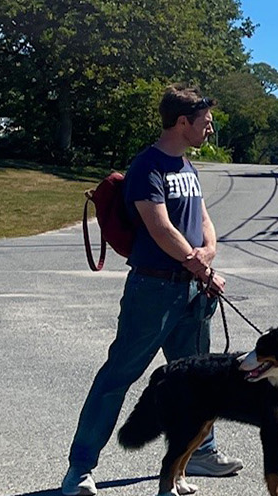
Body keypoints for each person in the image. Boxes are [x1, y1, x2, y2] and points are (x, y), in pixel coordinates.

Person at [62, 86, 244, 496]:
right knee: (118, 375)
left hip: (193, 292)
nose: (210, 129)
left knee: (199, 380)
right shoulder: (148, 166)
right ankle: (79, 470)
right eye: (205, 122)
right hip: (154, 290)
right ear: (183, 122)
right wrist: (200, 264)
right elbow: (159, 227)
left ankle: (200, 453)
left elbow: (203, 219)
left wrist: (209, 251)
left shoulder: (187, 168)